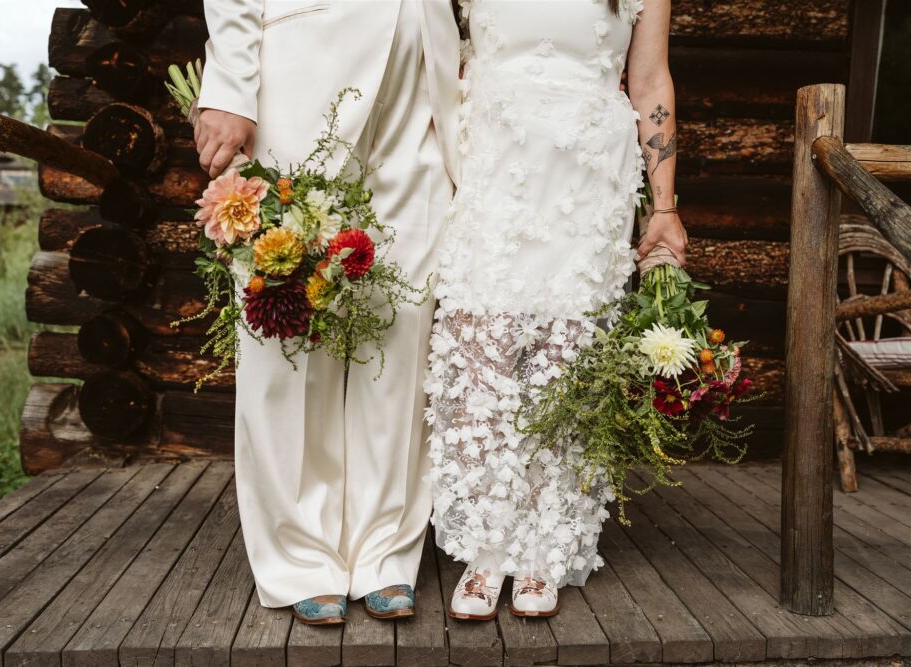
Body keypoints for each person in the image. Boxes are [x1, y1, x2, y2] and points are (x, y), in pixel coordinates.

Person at [194, 0, 461, 624]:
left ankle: (386, 551)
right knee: (288, 311)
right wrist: (230, 87)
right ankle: (300, 553)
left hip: (422, 62)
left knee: (401, 317)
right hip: (302, 62)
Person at [426, 0, 686, 620]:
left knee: (565, 355)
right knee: (479, 346)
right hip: (491, 162)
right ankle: (486, 547)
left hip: (586, 173)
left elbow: (650, 81)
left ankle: (544, 546)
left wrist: (664, 205)